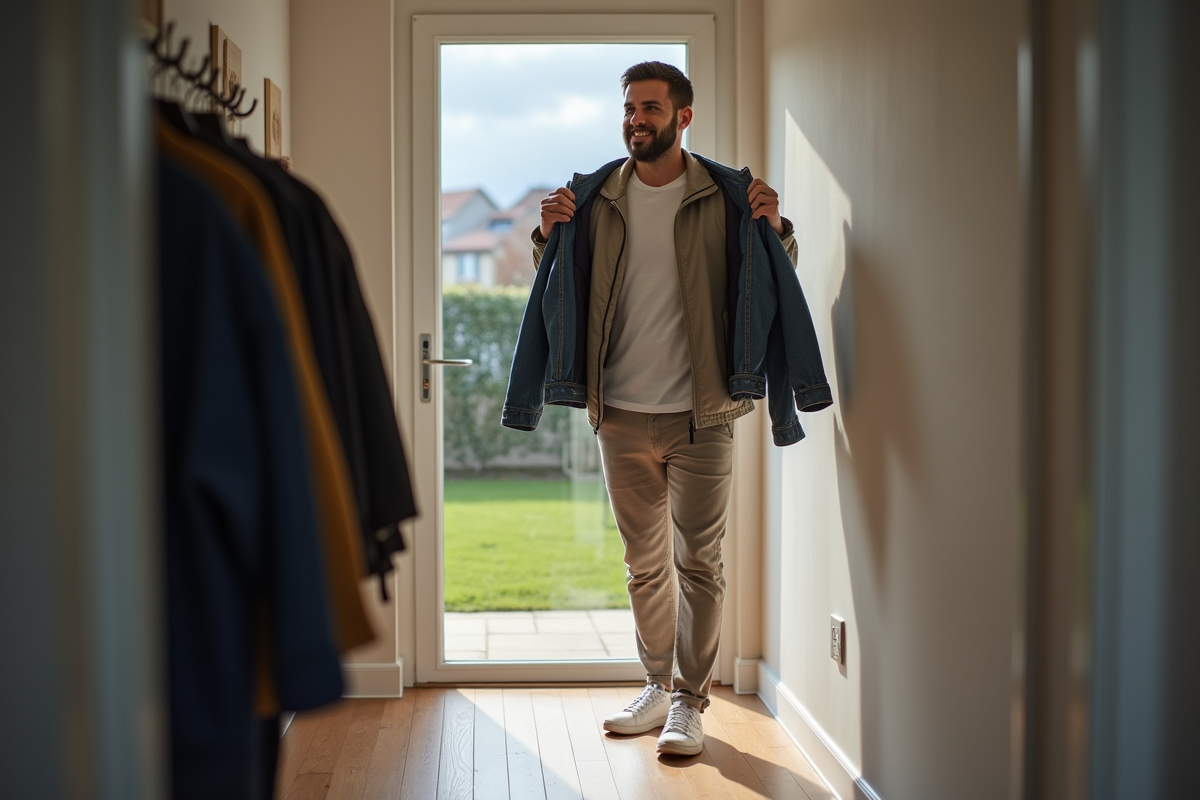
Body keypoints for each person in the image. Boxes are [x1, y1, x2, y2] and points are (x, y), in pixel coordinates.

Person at [502, 61, 829, 756]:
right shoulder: (594, 199)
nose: (635, 119)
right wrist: (546, 237)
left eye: (649, 108)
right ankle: (655, 686)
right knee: (643, 564)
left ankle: (689, 704)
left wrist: (778, 226)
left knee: (699, 564)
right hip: (618, 411)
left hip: (701, 413)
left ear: (683, 117)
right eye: (628, 108)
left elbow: (767, 280)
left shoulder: (726, 195)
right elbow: (567, 291)